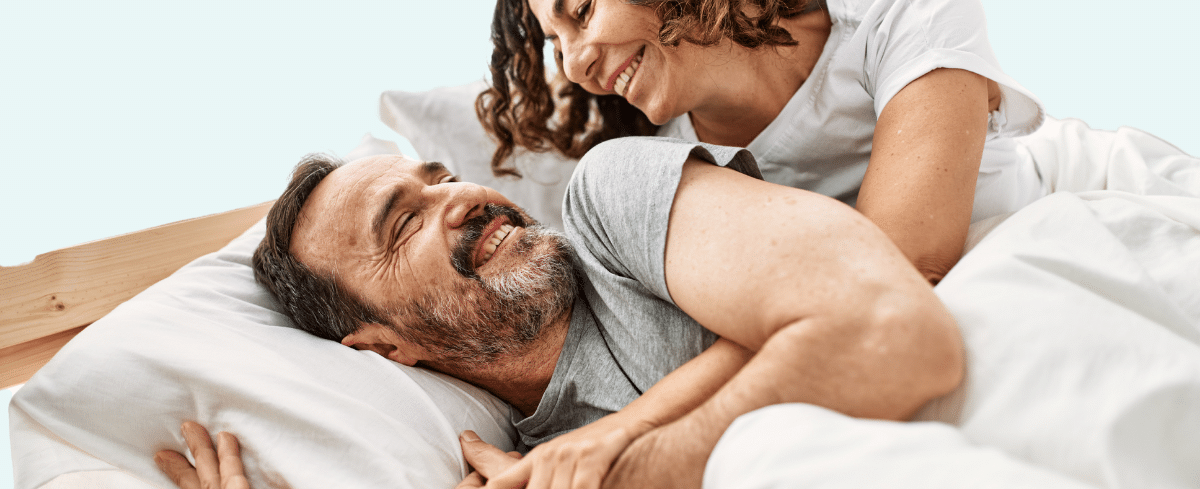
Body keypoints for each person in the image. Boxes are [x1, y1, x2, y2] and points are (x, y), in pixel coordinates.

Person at [478, 0, 1200, 284]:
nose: (572, 65)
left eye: (579, 14)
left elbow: (909, 252)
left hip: (1097, 195)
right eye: (553, 43)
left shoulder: (905, 9)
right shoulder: (668, 169)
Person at [155, 137, 964, 488]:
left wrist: (625, 472)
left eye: (440, 178)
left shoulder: (614, 205)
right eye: (404, 222)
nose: (461, 197)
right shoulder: (518, 465)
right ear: (382, 344)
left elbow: (895, 337)